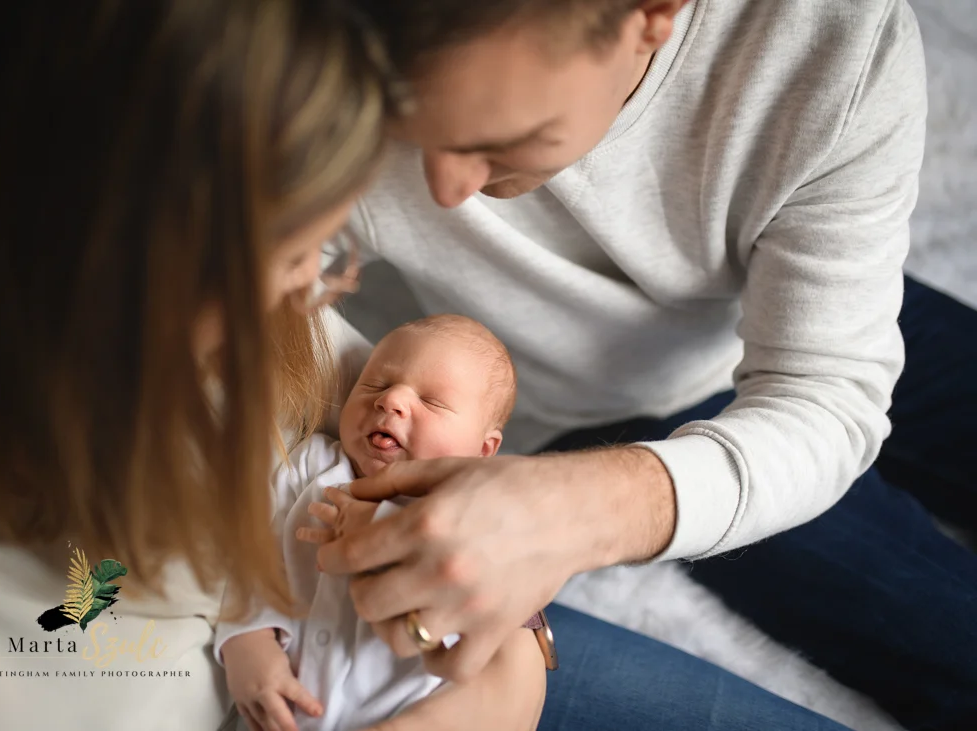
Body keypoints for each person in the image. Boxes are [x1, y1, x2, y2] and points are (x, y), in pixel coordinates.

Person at [309, 0, 977, 729]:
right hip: (593, 406)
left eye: (504, 139)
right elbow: (236, 303)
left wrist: (578, 509)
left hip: (797, 286)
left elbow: (826, 393)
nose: (443, 191)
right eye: (408, 127)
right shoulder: (311, 46)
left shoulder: (833, 41)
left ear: (654, 16)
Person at [0, 2, 544, 730]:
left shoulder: (273, 335)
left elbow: (464, 495)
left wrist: (514, 662)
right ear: (148, 254)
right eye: (298, 252)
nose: (320, 288)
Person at [215, 314, 543, 731]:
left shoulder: (470, 513)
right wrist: (248, 642)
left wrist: (389, 529)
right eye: (376, 384)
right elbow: (251, 555)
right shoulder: (310, 466)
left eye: (433, 402)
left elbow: (467, 613)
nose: (391, 401)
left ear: (482, 449)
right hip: (283, 709)